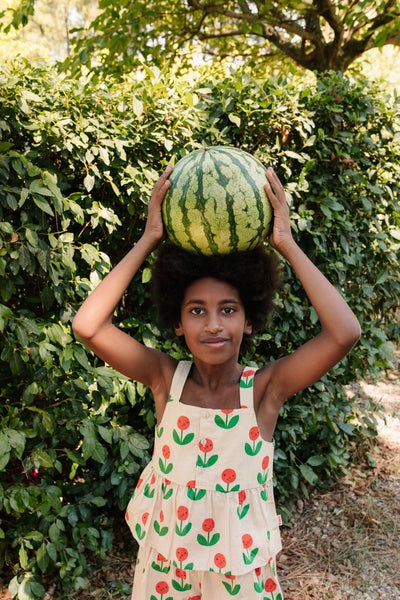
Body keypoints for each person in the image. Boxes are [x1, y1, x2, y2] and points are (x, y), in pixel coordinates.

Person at [72, 164, 361, 599]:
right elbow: (88, 326)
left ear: (249, 321)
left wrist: (286, 243)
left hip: (239, 576)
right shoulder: (166, 380)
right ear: (177, 322)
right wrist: (149, 238)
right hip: (166, 569)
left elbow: (344, 333)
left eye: (228, 309)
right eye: (196, 310)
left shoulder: (265, 389)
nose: (213, 324)